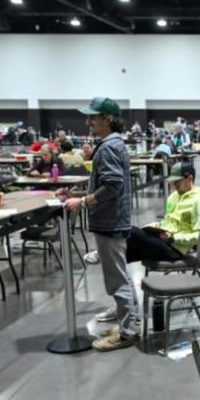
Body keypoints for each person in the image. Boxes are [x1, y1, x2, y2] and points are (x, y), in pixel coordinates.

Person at [64, 97, 138, 352]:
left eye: (93, 117)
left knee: (117, 281)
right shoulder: (114, 144)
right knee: (122, 277)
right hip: (114, 220)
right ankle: (132, 322)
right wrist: (80, 192)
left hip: (110, 222)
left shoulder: (107, 148)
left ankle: (127, 333)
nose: (88, 122)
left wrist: (83, 201)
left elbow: (113, 185)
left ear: (107, 119)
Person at [125, 162, 200, 263]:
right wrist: (157, 225)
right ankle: (118, 274)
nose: (174, 185)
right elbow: (169, 221)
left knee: (131, 231)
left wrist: (174, 237)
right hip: (163, 241)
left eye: (177, 181)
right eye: (172, 181)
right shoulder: (173, 197)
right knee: (127, 247)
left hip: (176, 249)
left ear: (190, 178)